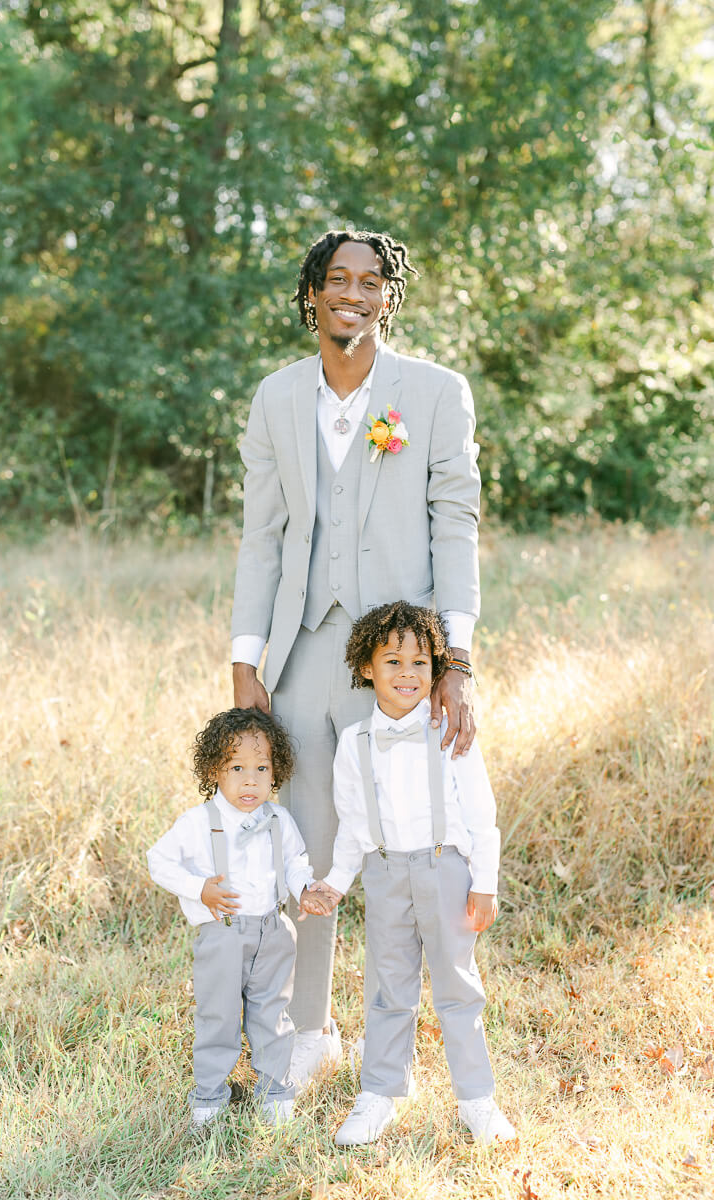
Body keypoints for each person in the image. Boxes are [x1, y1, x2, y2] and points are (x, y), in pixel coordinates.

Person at [231, 229, 482, 1086]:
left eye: (369, 281)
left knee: (410, 845)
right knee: (301, 838)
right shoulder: (275, 398)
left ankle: (405, 1045)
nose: (352, 292)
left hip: (404, 667)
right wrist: (245, 659)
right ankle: (307, 1030)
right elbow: (260, 537)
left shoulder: (436, 394)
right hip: (304, 650)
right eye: (336, 279)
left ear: (388, 296)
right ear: (313, 294)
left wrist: (457, 661)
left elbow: (457, 525)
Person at [301, 601, 515, 1147]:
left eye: (420, 662)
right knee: (389, 989)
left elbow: (481, 813)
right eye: (392, 660)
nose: (406, 673)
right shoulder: (354, 744)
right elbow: (352, 827)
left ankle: (476, 1101)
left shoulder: (451, 730)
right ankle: (379, 1095)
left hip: (447, 870)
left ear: (436, 670)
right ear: (366, 667)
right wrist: (335, 882)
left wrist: (485, 882)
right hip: (385, 874)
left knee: (458, 989)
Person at [146, 708, 329, 1128]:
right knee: (219, 1013)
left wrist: (304, 888)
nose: (251, 780)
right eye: (238, 767)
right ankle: (209, 1095)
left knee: (272, 1011)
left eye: (262, 768)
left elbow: (295, 862)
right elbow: (159, 861)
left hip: (273, 930)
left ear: (275, 771)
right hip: (223, 934)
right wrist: (200, 888)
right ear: (215, 769)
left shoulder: (279, 820)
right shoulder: (199, 823)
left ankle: (274, 1090)